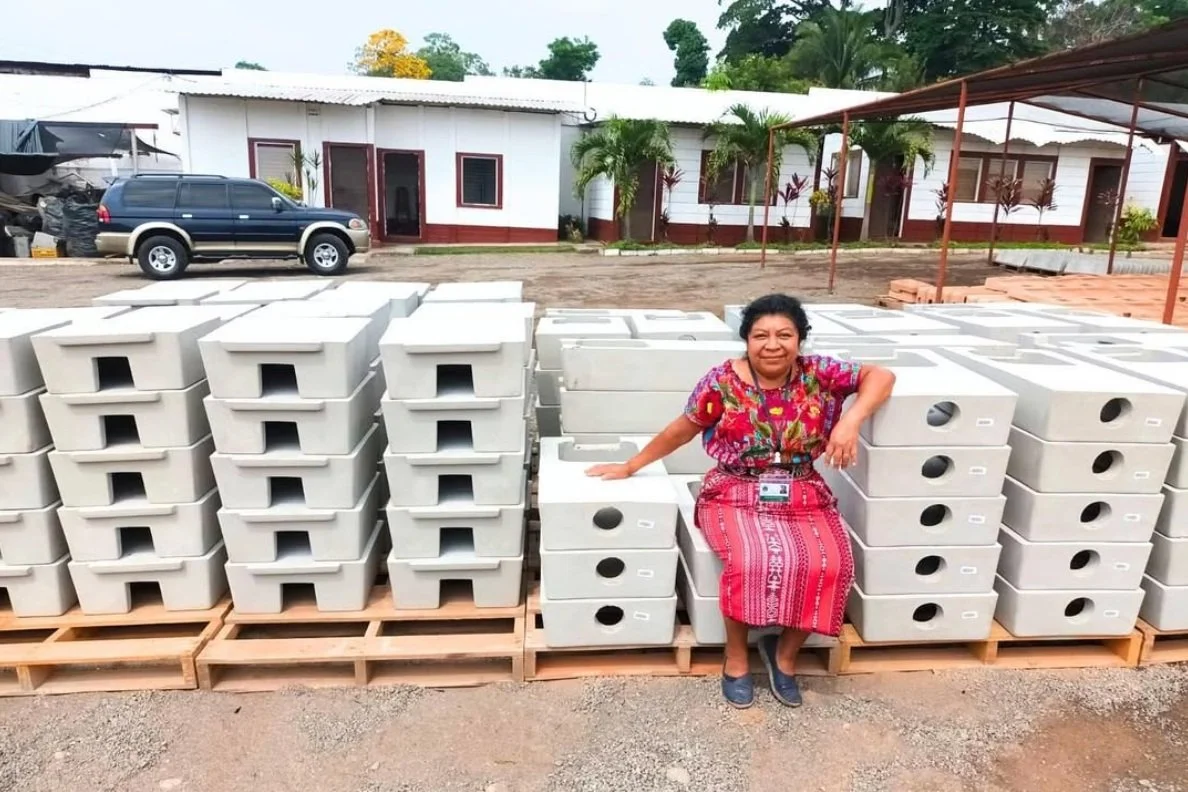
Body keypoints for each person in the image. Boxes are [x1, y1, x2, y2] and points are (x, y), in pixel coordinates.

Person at [586, 294, 895, 709]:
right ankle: (735, 658)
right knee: (751, 560)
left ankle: (783, 656)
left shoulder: (818, 373)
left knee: (830, 562)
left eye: (784, 335)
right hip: (734, 489)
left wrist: (850, 420)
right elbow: (683, 428)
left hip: (802, 486)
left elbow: (881, 376)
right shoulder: (721, 382)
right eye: (760, 335)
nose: (772, 345)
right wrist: (631, 465)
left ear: (800, 339)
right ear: (746, 340)